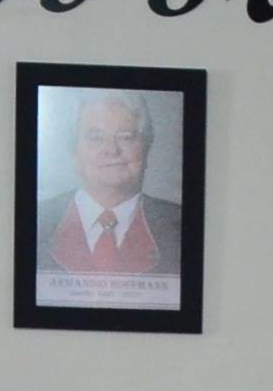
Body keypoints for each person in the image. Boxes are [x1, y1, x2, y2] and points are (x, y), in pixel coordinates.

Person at [33, 90, 185, 281]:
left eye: (126, 137)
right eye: (96, 138)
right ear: (74, 149)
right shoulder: (37, 220)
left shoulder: (179, 225)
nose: (112, 150)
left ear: (146, 145)